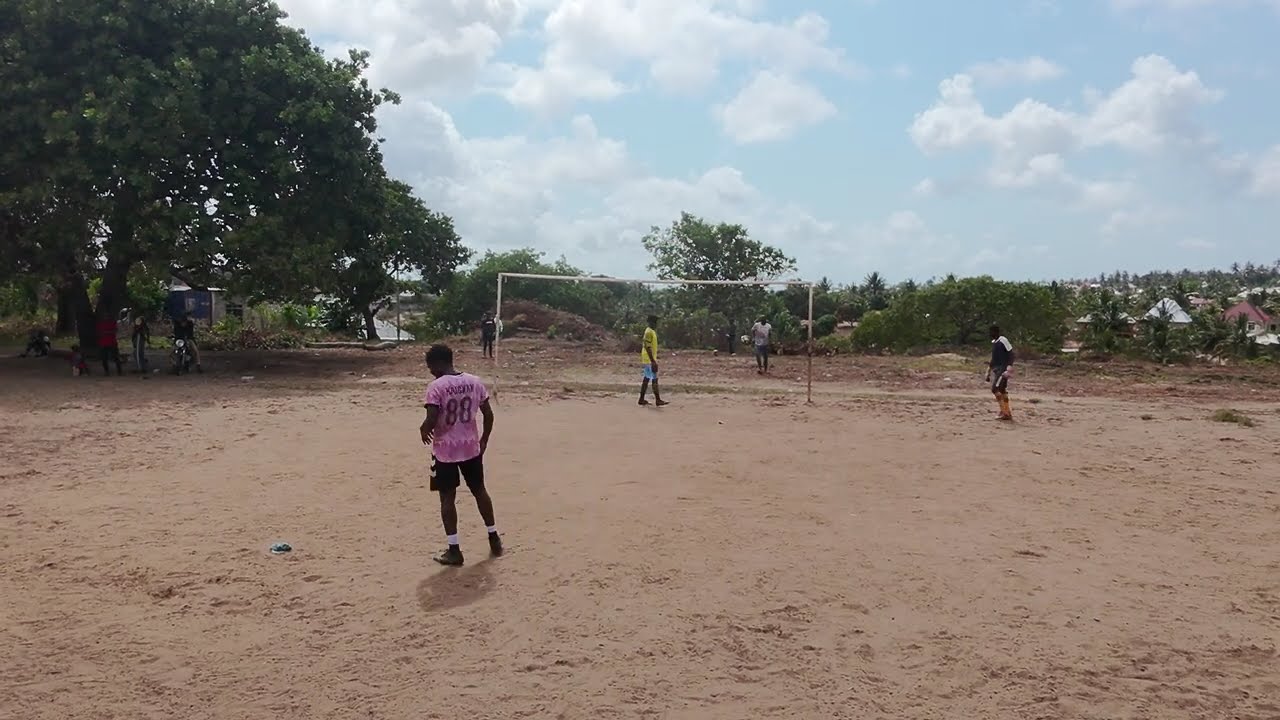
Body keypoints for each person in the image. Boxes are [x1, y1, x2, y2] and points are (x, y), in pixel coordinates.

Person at [419, 343, 502, 566]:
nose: (430, 371)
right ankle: (494, 536)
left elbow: (432, 417)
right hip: (470, 447)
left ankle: (454, 549)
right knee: (479, 491)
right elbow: (488, 413)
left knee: (447, 498)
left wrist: (424, 428)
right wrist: (483, 439)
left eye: (430, 366)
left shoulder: (436, 386)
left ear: (437, 363)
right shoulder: (474, 381)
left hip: (445, 450)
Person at [986, 325, 1014, 421]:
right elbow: (993, 359)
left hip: (1003, 369)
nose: (990, 334)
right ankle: (1007, 412)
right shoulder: (994, 343)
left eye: (991, 332)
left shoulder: (1003, 340)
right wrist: (988, 371)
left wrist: (1009, 366)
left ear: (995, 332)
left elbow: (1011, 353)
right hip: (997, 369)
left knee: (995, 388)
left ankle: (1004, 412)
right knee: (1002, 389)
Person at [638, 314, 667, 407]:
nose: (656, 324)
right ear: (651, 322)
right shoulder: (648, 332)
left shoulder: (652, 331)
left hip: (649, 359)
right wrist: (653, 361)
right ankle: (658, 400)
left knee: (647, 378)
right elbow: (647, 347)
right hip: (648, 359)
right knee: (654, 379)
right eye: (655, 322)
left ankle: (641, 399)